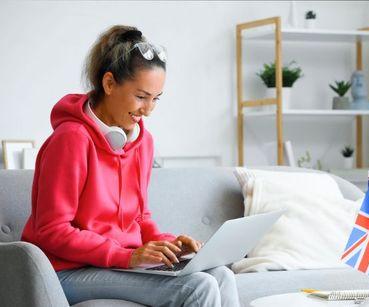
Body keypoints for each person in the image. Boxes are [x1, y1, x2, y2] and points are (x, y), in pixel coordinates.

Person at [21, 25, 240, 307]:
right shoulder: (71, 139)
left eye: (155, 99)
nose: (148, 110)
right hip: (67, 271)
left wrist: (169, 245)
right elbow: (52, 230)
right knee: (196, 287)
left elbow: (139, 218)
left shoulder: (142, 142)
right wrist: (127, 256)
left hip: (115, 265)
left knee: (221, 275)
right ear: (109, 84)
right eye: (140, 96)